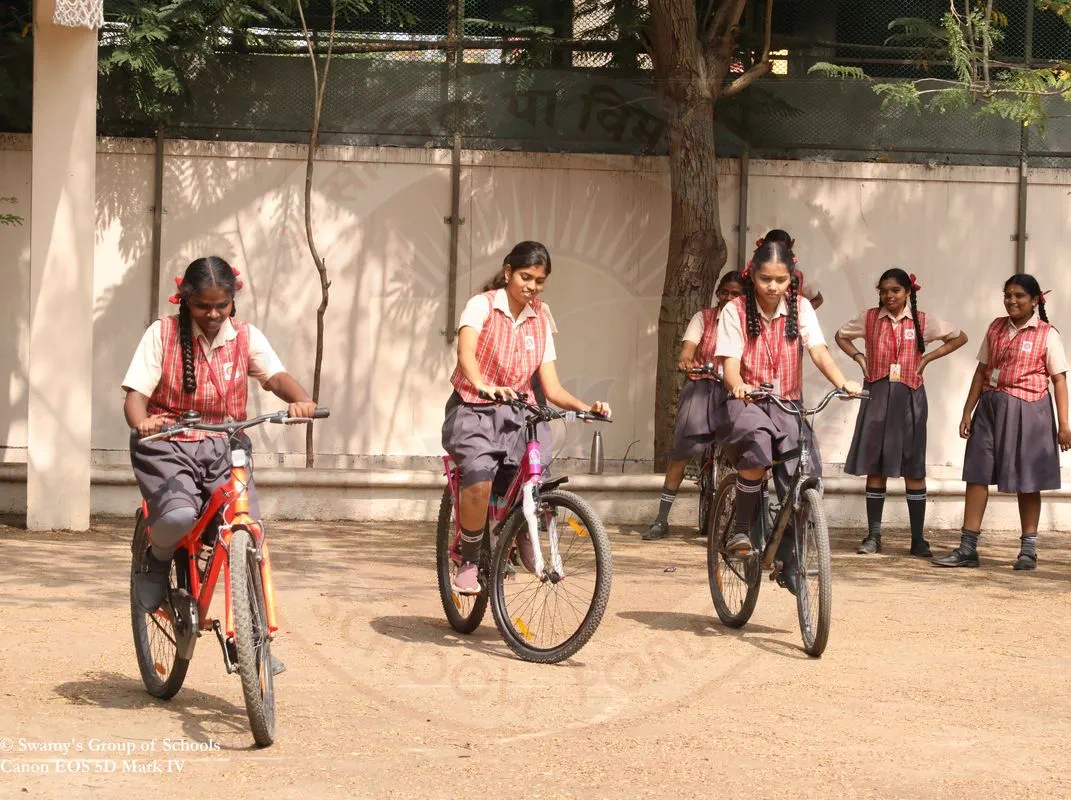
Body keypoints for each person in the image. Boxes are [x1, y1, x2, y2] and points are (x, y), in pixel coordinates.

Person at [123, 256, 317, 615]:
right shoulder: (162, 333)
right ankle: (158, 558)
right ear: (185, 300)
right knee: (178, 517)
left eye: (221, 306)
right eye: (202, 306)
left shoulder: (245, 335)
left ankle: (256, 643)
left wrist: (301, 401)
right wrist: (143, 423)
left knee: (247, 530)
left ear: (233, 300)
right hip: (168, 443)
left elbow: (275, 377)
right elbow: (136, 396)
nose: (213, 314)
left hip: (226, 445)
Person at [442, 241, 611, 594]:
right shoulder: (482, 305)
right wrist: (483, 384)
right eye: (525, 276)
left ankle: (522, 535)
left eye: (539, 280)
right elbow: (466, 353)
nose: (531, 286)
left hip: (518, 413)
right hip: (474, 407)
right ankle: (469, 558)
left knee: (535, 478)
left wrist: (585, 407)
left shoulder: (540, 318)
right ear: (508, 272)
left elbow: (551, 386)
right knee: (479, 476)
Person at [714, 240, 861, 593]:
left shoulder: (802, 308)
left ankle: (790, 558)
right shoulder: (735, 310)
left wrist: (844, 382)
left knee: (804, 474)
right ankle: (743, 528)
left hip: (787, 403)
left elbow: (820, 352)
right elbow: (730, 367)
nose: (773, 287)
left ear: (790, 278)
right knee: (756, 444)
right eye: (766, 279)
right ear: (753, 275)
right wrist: (737, 386)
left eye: (781, 280)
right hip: (747, 402)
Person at [933, 274, 1071, 571]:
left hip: (1029, 410)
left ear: (1035, 301)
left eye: (1019, 295)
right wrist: (968, 410)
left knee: (1028, 479)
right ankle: (968, 548)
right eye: (1007, 295)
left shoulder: (1048, 334)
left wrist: (1064, 425)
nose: (1012, 301)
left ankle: (1028, 551)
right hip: (991, 408)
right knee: (977, 473)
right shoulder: (995, 327)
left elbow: (1059, 380)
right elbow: (982, 370)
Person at [835, 269, 968, 557]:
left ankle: (918, 539)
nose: (889, 296)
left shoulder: (922, 321)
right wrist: (860, 359)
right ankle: (873, 536)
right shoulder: (869, 317)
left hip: (910, 396)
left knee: (913, 466)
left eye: (895, 290)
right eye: (884, 290)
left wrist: (928, 358)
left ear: (908, 291)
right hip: (878, 394)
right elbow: (841, 336)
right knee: (876, 465)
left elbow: (959, 337)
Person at [643, 271, 745, 540]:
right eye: (725, 292)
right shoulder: (703, 318)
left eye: (736, 294)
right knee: (682, 449)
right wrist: (687, 359)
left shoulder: (749, 322)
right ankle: (662, 518)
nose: (729, 298)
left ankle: (747, 524)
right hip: (703, 385)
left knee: (750, 450)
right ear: (717, 293)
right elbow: (689, 348)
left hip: (734, 389)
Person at [757, 229, 824, 309]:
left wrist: (800, 315)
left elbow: (818, 299)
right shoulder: (754, 271)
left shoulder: (798, 275)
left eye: (781, 280)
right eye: (766, 278)